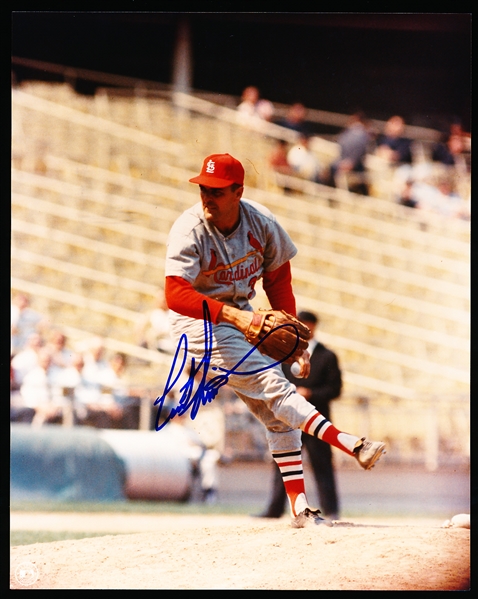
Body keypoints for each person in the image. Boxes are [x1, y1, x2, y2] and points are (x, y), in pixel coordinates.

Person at [162, 152, 386, 528]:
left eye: (217, 190)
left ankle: (299, 509)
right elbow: (174, 294)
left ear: (238, 191)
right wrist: (235, 315)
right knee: (272, 385)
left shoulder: (262, 223)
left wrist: (297, 344)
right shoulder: (190, 228)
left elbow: (279, 284)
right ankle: (351, 444)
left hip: (241, 314)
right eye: (204, 188)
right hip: (196, 322)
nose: (207, 197)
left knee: (274, 413)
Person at [256, 311, 341, 520]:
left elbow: (335, 389)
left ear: (312, 326)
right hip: (290, 418)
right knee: (283, 463)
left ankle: (331, 510)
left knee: (321, 464)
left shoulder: (327, 356)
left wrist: (309, 393)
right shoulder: (284, 354)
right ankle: (274, 509)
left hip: (316, 417)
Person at [326, 111, 373, 196]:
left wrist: (351, 162)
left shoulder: (360, 134)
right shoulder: (349, 133)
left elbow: (360, 151)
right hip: (346, 162)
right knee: (332, 168)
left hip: (353, 164)